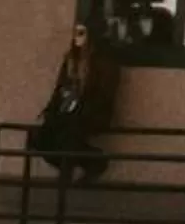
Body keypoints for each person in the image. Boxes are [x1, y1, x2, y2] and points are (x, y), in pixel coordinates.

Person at [32, 23, 120, 183]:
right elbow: (60, 87)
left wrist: (80, 107)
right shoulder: (71, 59)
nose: (76, 38)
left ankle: (70, 171)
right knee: (40, 137)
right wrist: (52, 109)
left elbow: (104, 94)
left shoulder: (104, 61)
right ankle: (93, 161)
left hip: (91, 111)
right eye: (75, 33)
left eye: (81, 33)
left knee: (69, 133)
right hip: (67, 108)